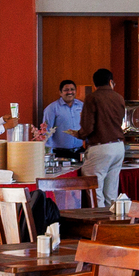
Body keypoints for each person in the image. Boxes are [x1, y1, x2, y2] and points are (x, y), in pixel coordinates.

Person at [79, 68, 127, 206]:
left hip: (101, 147)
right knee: (111, 191)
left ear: (94, 85)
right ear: (111, 82)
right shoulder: (119, 98)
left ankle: (98, 221)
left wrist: (79, 134)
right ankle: (111, 222)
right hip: (118, 146)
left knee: (95, 188)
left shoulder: (92, 98)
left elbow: (88, 127)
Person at [41, 79, 85, 162]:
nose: (70, 92)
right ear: (60, 93)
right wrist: (48, 154)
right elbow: (46, 131)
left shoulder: (82, 105)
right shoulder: (52, 108)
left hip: (79, 152)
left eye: (72, 89)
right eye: (66, 90)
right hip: (61, 154)